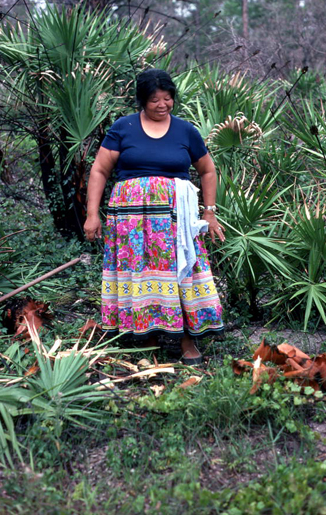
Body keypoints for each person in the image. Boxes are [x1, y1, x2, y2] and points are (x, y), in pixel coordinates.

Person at [84, 68, 225, 365]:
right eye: (154, 100)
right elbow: (99, 170)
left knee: (182, 273)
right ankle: (146, 338)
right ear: (141, 101)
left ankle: (187, 339)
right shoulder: (123, 128)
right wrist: (92, 214)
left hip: (175, 221)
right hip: (130, 222)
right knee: (140, 275)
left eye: (168, 98)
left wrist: (209, 213)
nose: (162, 105)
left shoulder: (186, 131)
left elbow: (208, 170)